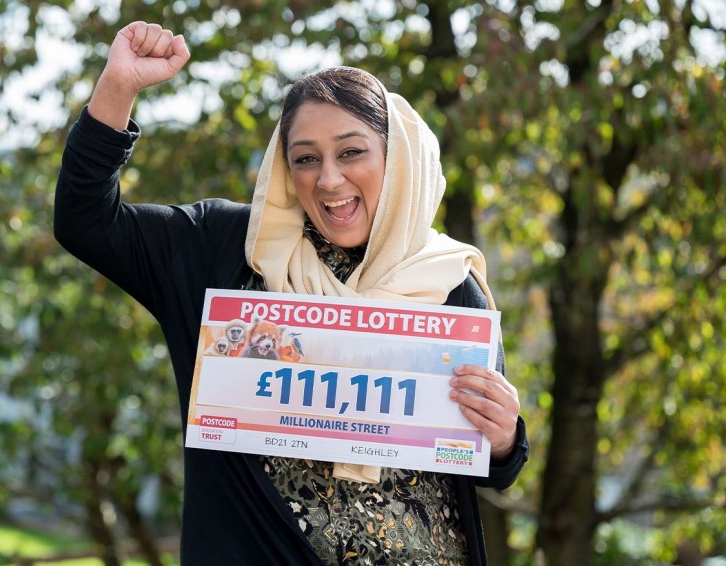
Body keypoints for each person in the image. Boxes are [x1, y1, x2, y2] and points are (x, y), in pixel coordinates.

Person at [54, 21, 528, 566]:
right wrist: (119, 87)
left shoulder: (449, 282)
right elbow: (84, 220)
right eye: (305, 158)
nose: (328, 179)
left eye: (351, 152)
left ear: (395, 159)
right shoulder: (224, 253)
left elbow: (493, 465)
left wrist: (504, 439)